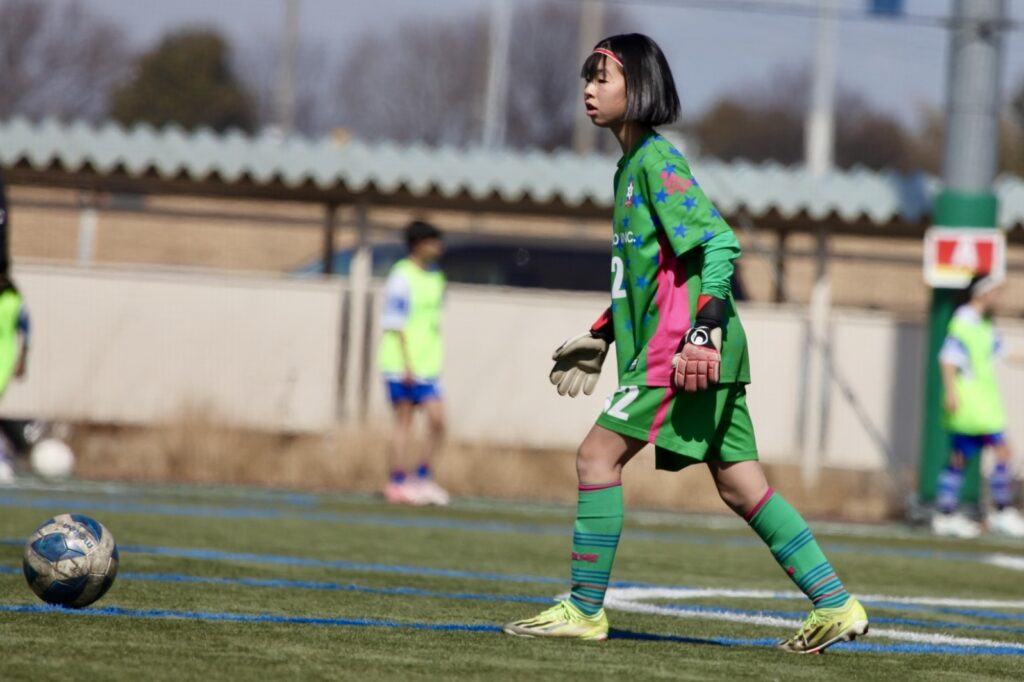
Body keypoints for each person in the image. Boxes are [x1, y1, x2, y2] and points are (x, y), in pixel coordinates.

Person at [502, 34, 867, 654]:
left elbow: (721, 245)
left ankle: (585, 610)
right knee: (740, 485)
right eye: (586, 77)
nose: (588, 89)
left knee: (596, 458)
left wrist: (702, 333)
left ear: (637, 88)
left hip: (683, 352)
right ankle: (836, 603)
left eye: (602, 77)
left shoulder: (656, 164)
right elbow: (653, 278)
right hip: (694, 349)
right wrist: (601, 333)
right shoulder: (629, 167)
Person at [933, 275, 1024, 538]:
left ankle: (946, 513)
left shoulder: (983, 325)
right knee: (1001, 451)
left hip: (981, 405)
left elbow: (1005, 352)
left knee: (961, 458)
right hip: (971, 405)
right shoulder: (964, 321)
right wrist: (951, 393)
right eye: (994, 290)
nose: (998, 296)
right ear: (981, 292)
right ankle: (1000, 511)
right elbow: (948, 358)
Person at [377, 221, 450, 506]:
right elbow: (394, 323)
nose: (438, 247)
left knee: (438, 421)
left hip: (428, 365)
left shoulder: (436, 276)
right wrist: (406, 364)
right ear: (418, 244)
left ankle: (421, 478)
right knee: (404, 422)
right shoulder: (401, 276)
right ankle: (396, 482)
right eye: (433, 241)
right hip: (402, 363)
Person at [0, 273, 30, 484]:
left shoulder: (13, 301)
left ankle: (3, 457)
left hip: (3, 358)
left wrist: (23, 359)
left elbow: (26, 329)